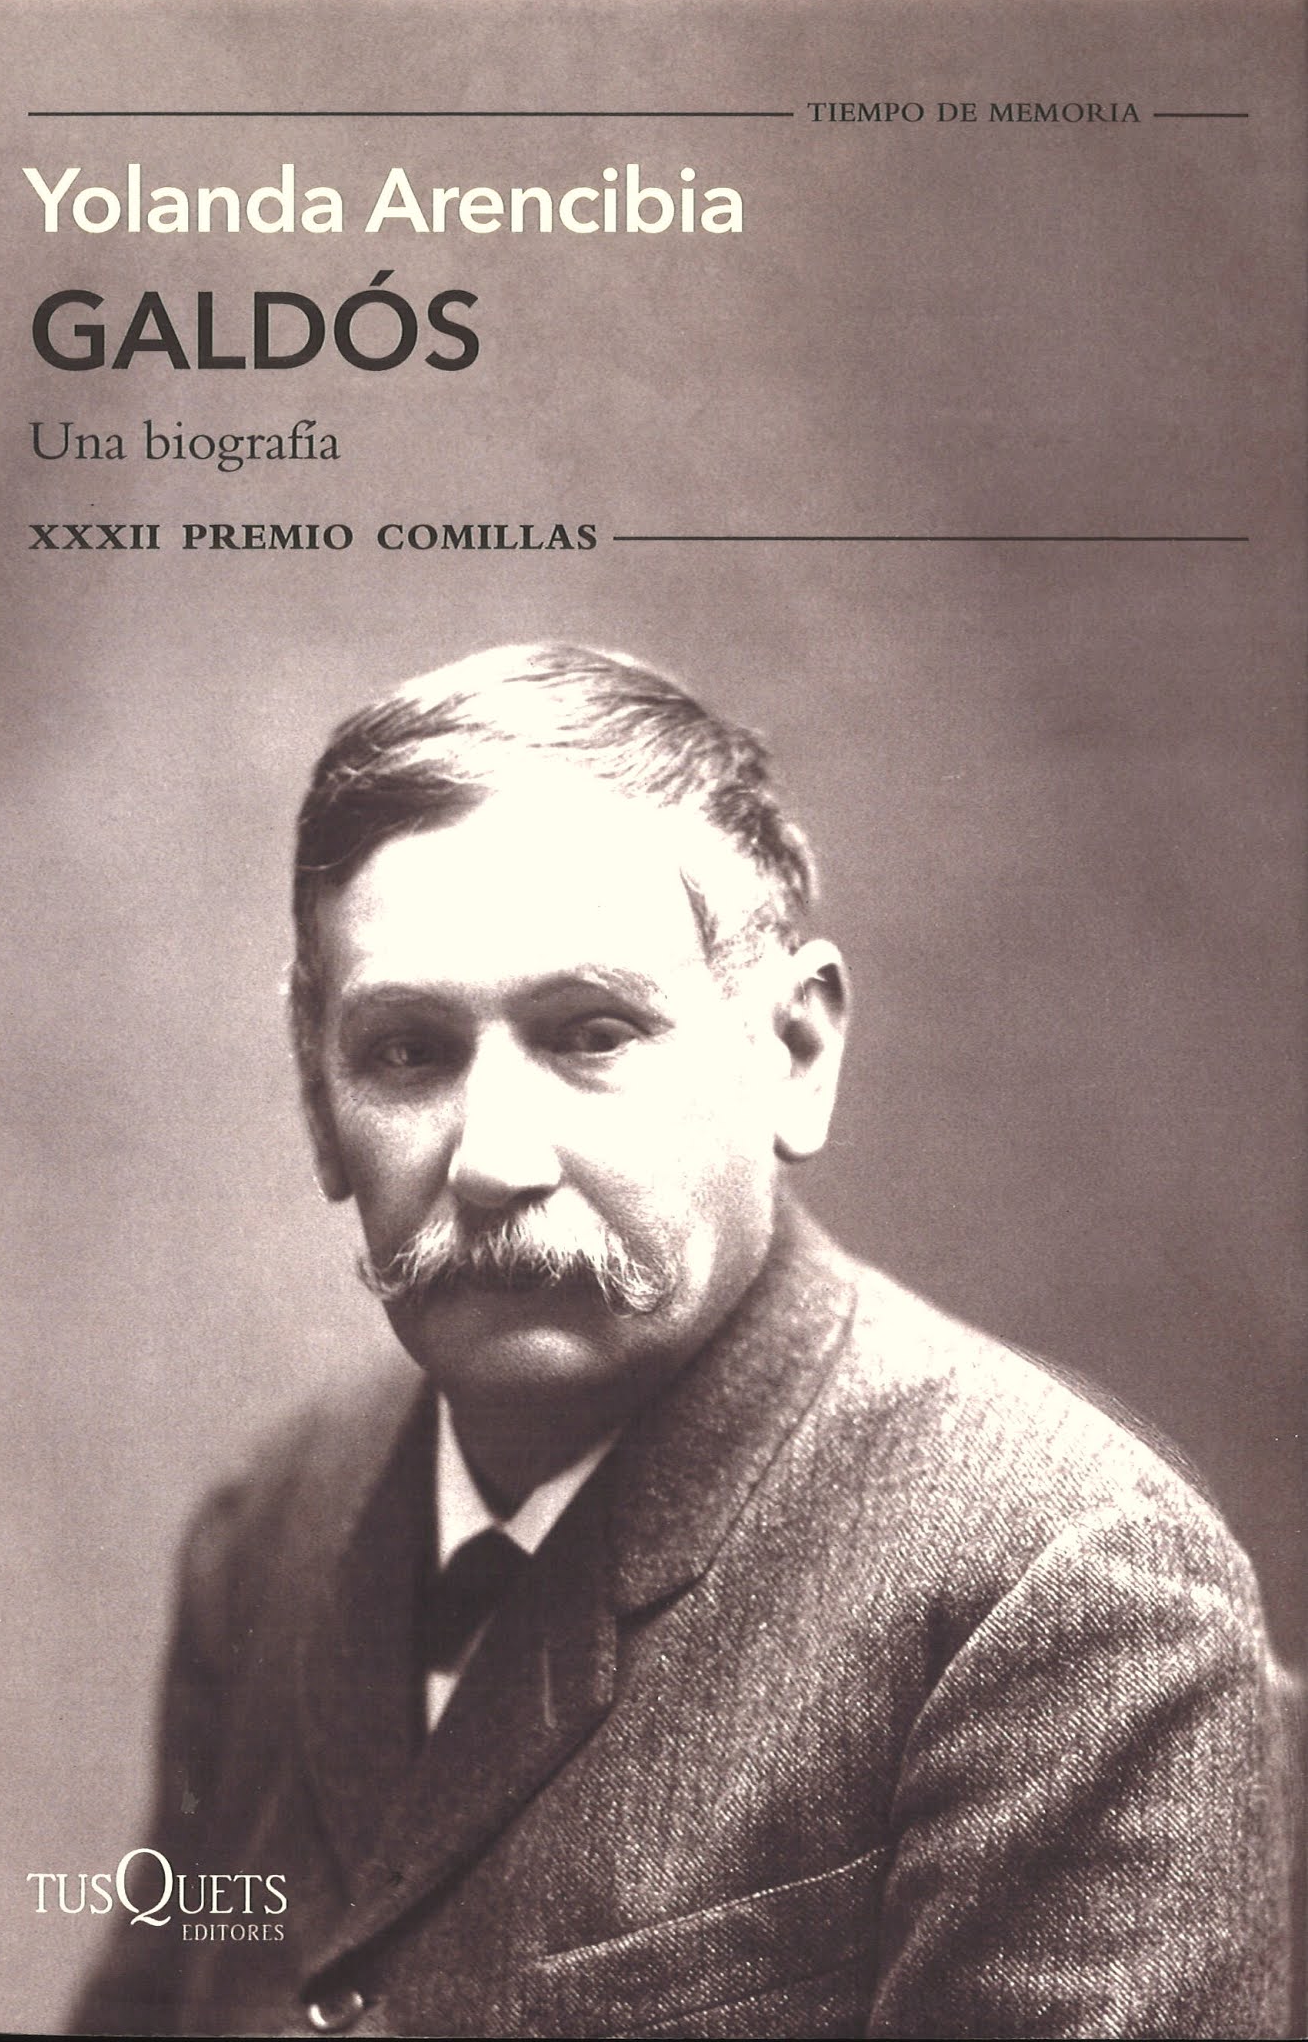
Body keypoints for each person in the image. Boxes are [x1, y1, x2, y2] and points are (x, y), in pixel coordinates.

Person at [70, 642, 1291, 2039]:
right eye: (407, 1052)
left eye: (589, 1035)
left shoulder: (1064, 1589)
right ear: (315, 1097)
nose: (494, 1160)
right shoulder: (274, 1520)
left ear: (792, 1052)